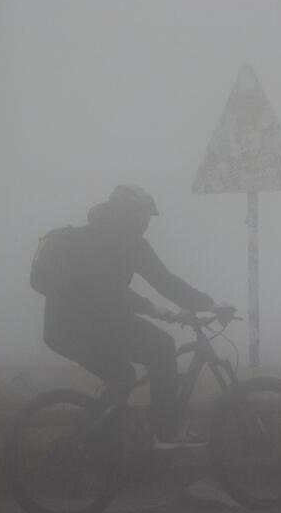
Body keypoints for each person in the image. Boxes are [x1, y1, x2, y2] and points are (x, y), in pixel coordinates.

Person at [42, 185, 218, 448]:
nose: (146, 222)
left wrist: (169, 309)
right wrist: (209, 305)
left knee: (122, 376)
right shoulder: (125, 240)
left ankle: (101, 447)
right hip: (92, 323)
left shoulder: (91, 235)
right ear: (130, 214)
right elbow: (163, 283)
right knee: (162, 348)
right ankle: (166, 433)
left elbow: (111, 293)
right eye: (143, 215)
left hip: (60, 327)